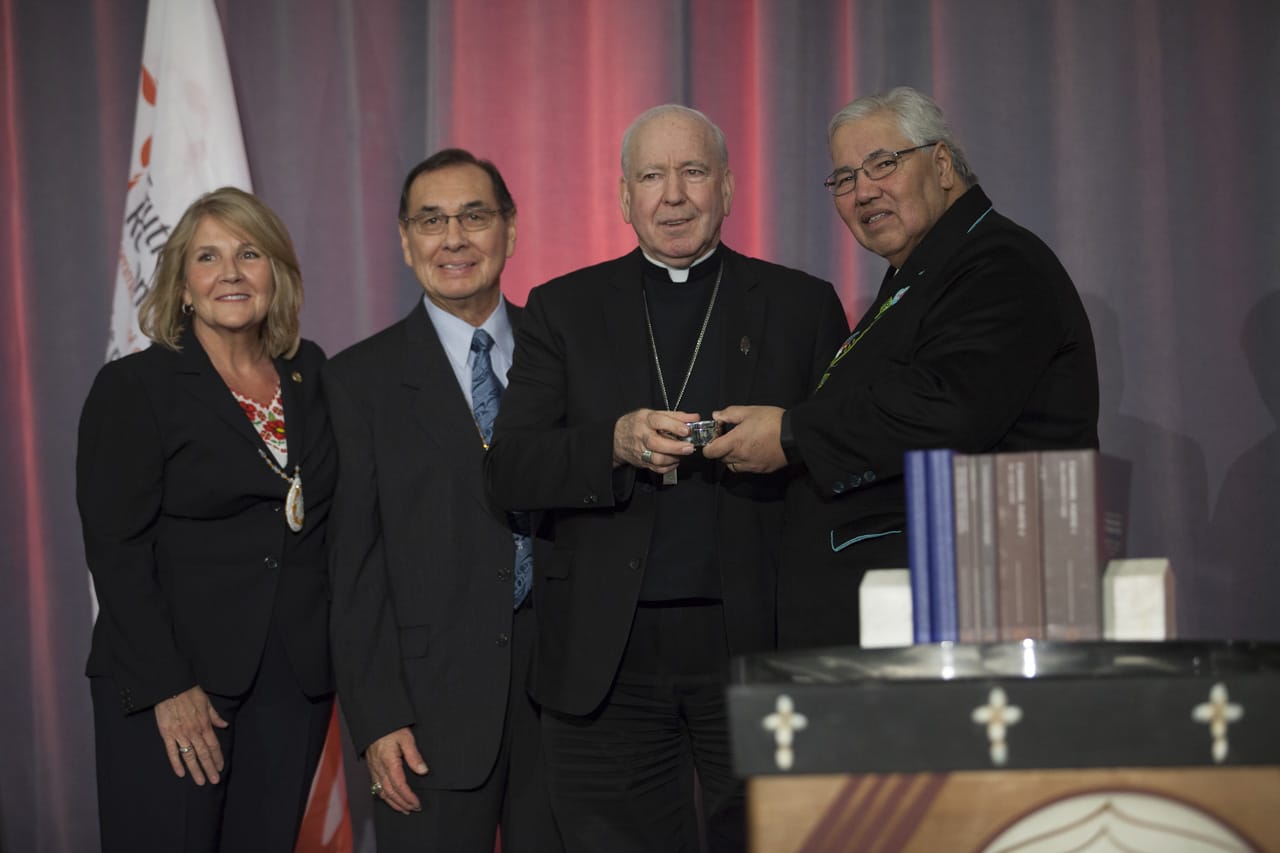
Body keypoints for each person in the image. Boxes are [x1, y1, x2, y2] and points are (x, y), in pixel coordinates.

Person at [484, 105, 848, 852]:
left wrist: (787, 440)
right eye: (651, 175)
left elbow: (847, 461)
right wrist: (611, 442)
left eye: (692, 172)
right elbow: (510, 468)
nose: (672, 194)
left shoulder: (801, 305)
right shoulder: (563, 309)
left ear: (728, 187)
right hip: (608, 657)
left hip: (756, 643)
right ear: (623, 196)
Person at [704, 86, 1100, 649]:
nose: (863, 191)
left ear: (941, 164)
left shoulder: (999, 263)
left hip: (974, 614)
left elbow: (947, 407)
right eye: (844, 179)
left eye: (882, 164)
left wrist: (792, 434)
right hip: (904, 615)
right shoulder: (921, 272)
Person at [77, 187, 336, 852]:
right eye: (209, 256)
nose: (231, 272)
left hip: (291, 682)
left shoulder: (312, 374)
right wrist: (168, 685)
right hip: (176, 681)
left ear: (275, 273)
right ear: (183, 286)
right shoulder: (136, 387)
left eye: (249, 253)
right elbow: (116, 548)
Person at [324, 149, 560, 852]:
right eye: (431, 221)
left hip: (567, 710)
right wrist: (376, 716)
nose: (453, 238)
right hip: (427, 716)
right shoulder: (358, 381)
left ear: (510, 231)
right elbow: (353, 569)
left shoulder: (565, 353)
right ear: (405, 240)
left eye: (473, 216)